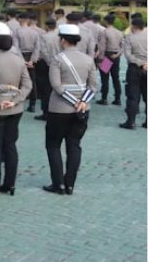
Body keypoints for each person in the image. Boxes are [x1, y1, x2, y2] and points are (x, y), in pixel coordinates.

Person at [44, 24, 98, 195]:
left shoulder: (57, 59)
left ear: (63, 40)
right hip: (82, 109)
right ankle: (70, 184)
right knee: (74, 145)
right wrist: (82, 102)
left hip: (59, 109)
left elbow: (56, 85)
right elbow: (93, 85)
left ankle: (58, 183)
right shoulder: (88, 60)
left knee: (53, 145)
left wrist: (73, 101)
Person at [0, 22, 32, 196]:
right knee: (10, 146)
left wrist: (2, 88)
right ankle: (10, 184)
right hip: (14, 109)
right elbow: (27, 85)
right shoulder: (18, 60)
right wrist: (15, 99)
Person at [30, 17, 60, 121]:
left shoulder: (43, 37)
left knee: (45, 89)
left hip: (45, 64)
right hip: (59, 62)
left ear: (46, 26)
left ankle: (46, 112)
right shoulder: (60, 37)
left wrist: (49, 62)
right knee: (56, 86)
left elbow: (42, 51)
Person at [121, 17, 147, 129]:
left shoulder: (129, 38)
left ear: (133, 26)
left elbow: (128, 55)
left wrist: (140, 63)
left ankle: (131, 122)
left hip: (134, 69)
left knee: (133, 96)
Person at [15, 13, 40, 112]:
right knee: (32, 80)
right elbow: (37, 48)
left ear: (20, 20)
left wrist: (22, 61)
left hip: (20, 56)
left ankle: (18, 101)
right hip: (31, 57)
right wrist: (32, 60)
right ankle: (32, 104)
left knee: (19, 81)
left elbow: (16, 47)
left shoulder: (17, 32)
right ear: (28, 21)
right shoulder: (34, 32)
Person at [98, 15, 123, 106]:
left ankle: (104, 98)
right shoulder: (119, 32)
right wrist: (117, 55)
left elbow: (102, 46)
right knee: (116, 78)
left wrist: (100, 58)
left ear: (106, 21)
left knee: (105, 78)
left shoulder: (104, 32)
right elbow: (122, 46)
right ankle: (118, 98)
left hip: (106, 55)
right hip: (116, 56)